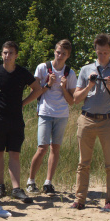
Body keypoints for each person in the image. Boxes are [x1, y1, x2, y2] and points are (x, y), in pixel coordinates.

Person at [0, 41, 41, 203]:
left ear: (16, 55)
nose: (7, 56)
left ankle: (16, 188)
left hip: (16, 117)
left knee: (15, 152)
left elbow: (38, 89)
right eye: (5, 53)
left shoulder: (22, 73)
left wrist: (23, 103)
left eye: (10, 53)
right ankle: (0, 186)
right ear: (1, 54)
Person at [71, 33, 110, 210]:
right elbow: (76, 98)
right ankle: (80, 200)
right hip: (87, 119)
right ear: (95, 50)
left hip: (108, 121)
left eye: (105, 53)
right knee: (83, 163)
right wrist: (89, 86)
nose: (102, 56)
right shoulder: (86, 70)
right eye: (99, 52)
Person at [26, 40, 77, 195]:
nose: (60, 55)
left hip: (62, 114)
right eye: (58, 52)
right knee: (42, 148)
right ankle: (31, 181)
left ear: (68, 56)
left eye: (64, 53)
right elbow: (34, 91)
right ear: (54, 51)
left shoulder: (70, 73)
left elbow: (72, 101)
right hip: (45, 112)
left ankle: (48, 182)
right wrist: (48, 84)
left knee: (55, 148)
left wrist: (63, 87)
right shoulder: (43, 68)